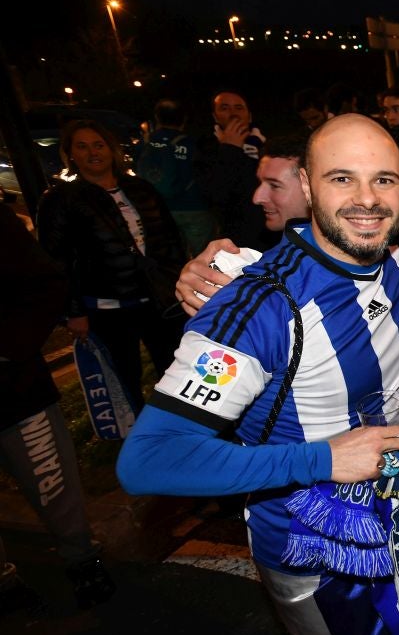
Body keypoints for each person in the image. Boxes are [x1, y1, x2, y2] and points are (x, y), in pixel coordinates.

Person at [115, 115, 399, 635]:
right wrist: (323, 459)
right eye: (341, 178)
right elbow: (147, 460)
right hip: (311, 554)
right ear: (306, 186)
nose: (367, 197)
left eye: (384, 179)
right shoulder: (259, 304)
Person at [0, 202, 113, 612]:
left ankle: (82, 560)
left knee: (51, 484)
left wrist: (10, 347)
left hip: (15, 391)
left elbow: (46, 282)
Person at [37, 120, 186, 410]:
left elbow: (170, 240)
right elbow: (57, 260)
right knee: (123, 379)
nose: (93, 152)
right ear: (70, 155)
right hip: (107, 309)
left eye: (98, 144)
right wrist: (73, 312)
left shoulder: (141, 188)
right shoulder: (60, 199)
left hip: (157, 301)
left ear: (111, 149)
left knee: (175, 369)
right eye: (82, 146)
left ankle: (181, 431)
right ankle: (134, 440)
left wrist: (178, 283)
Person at [196, 90, 270, 249]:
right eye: (225, 108)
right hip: (236, 238)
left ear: (249, 116)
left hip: (271, 234)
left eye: (238, 108)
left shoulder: (266, 146)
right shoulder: (205, 150)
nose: (233, 113)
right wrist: (230, 149)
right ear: (215, 117)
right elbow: (215, 194)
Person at [137, 98, 208, 253]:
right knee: (205, 257)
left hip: (157, 210)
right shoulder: (191, 143)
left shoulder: (146, 143)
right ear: (184, 119)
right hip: (192, 207)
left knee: (172, 255)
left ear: (157, 117)